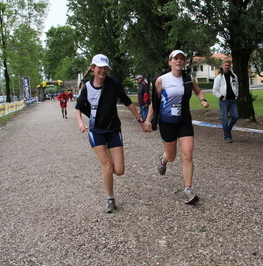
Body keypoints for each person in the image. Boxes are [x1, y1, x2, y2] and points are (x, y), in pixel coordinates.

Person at [75, 54, 145, 213]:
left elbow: (127, 101)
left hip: (113, 129)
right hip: (96, 131)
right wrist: (80, 123)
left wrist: (140, 120)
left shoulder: (114, 83)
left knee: (119, 170)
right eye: (100, 67)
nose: (103, 70)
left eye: (105, 67)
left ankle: (107, 158)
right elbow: (78, 108)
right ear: (93, 68)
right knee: (107, 166)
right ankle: (110, 199)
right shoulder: (87, 87)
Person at [143, 49, 209, 204]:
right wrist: (148, 120)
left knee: (187, 154)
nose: (179, 61)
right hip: (167, 123)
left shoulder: (188, 79)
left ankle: (188, 189)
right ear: (170, 62)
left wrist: (203, 100)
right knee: (171, 156)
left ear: (184, 62)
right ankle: (163, 160)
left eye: (182, 59)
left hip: (184, 121)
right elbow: (155, 102)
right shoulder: (162, 80)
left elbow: (198, 92)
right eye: (176, 59)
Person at [212, 60, 239, 143]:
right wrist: (221, 96)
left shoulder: (234, 76)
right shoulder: (219, 77)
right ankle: (227, 136)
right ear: (223, 66)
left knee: (236, 116)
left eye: (228, 65)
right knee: (225, 119)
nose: (227, 67)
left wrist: (236, 95)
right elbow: (214, 90)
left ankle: (227, 130)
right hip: (224, 101)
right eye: (225, 65)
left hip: (232, 99)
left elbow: (236, 86)